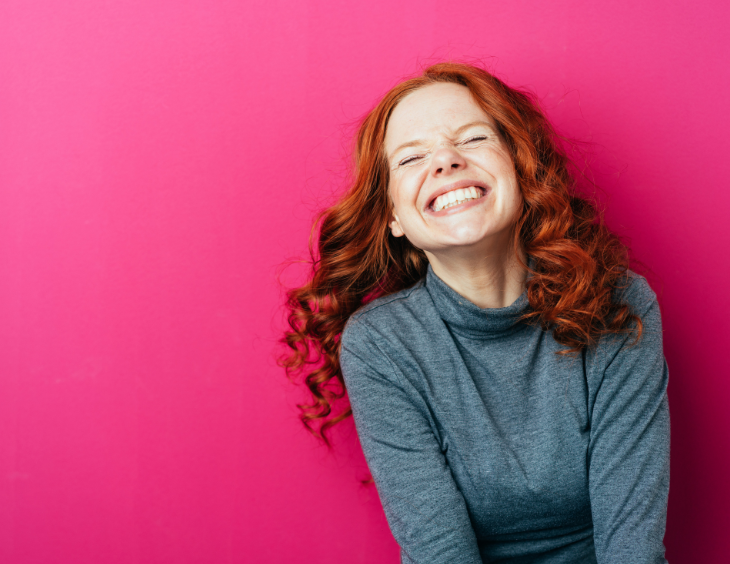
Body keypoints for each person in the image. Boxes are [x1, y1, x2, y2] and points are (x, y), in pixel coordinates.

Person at [282, 62, 669, 564]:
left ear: (520, 169)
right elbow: (440, 552)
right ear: (394, 218)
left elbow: (632, 549)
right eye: (411, 157)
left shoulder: (618, 304)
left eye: (472, 138)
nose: (444, 161)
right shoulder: (381, 344)